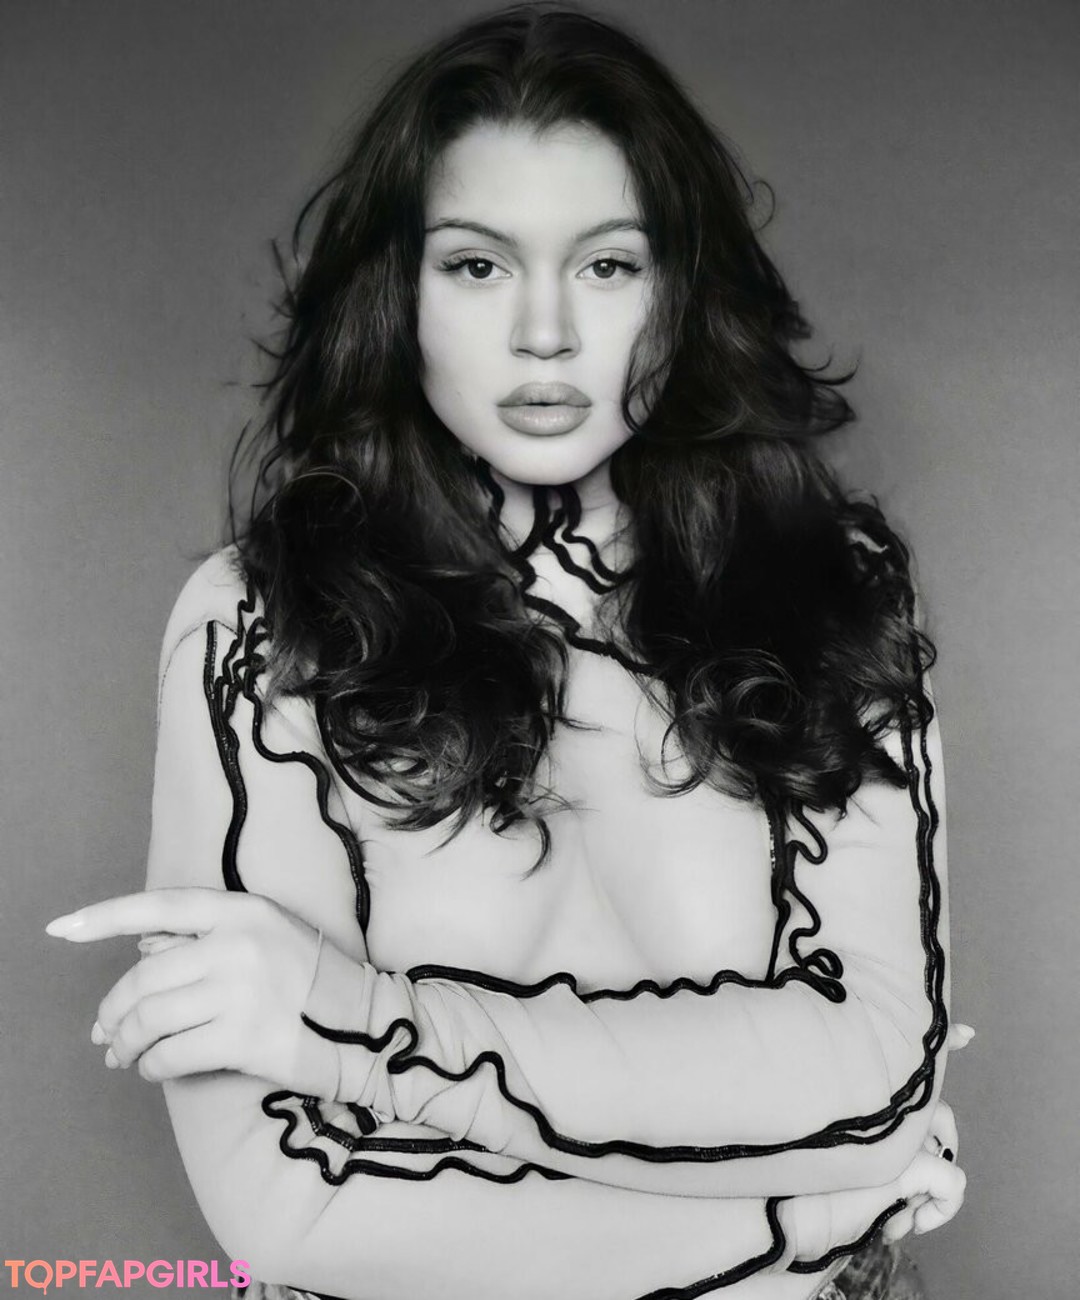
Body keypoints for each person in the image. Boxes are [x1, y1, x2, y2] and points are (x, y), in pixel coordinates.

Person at [46, 5, 969, 1298]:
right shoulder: (265, 623)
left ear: (683, 291)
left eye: (609, 265)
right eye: (478, 266)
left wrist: (355, 1026)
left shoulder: (827, 585)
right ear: (399, 294)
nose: (547, 332)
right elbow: (295, 1208)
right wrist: (808, 1211)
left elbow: (871, 1073)